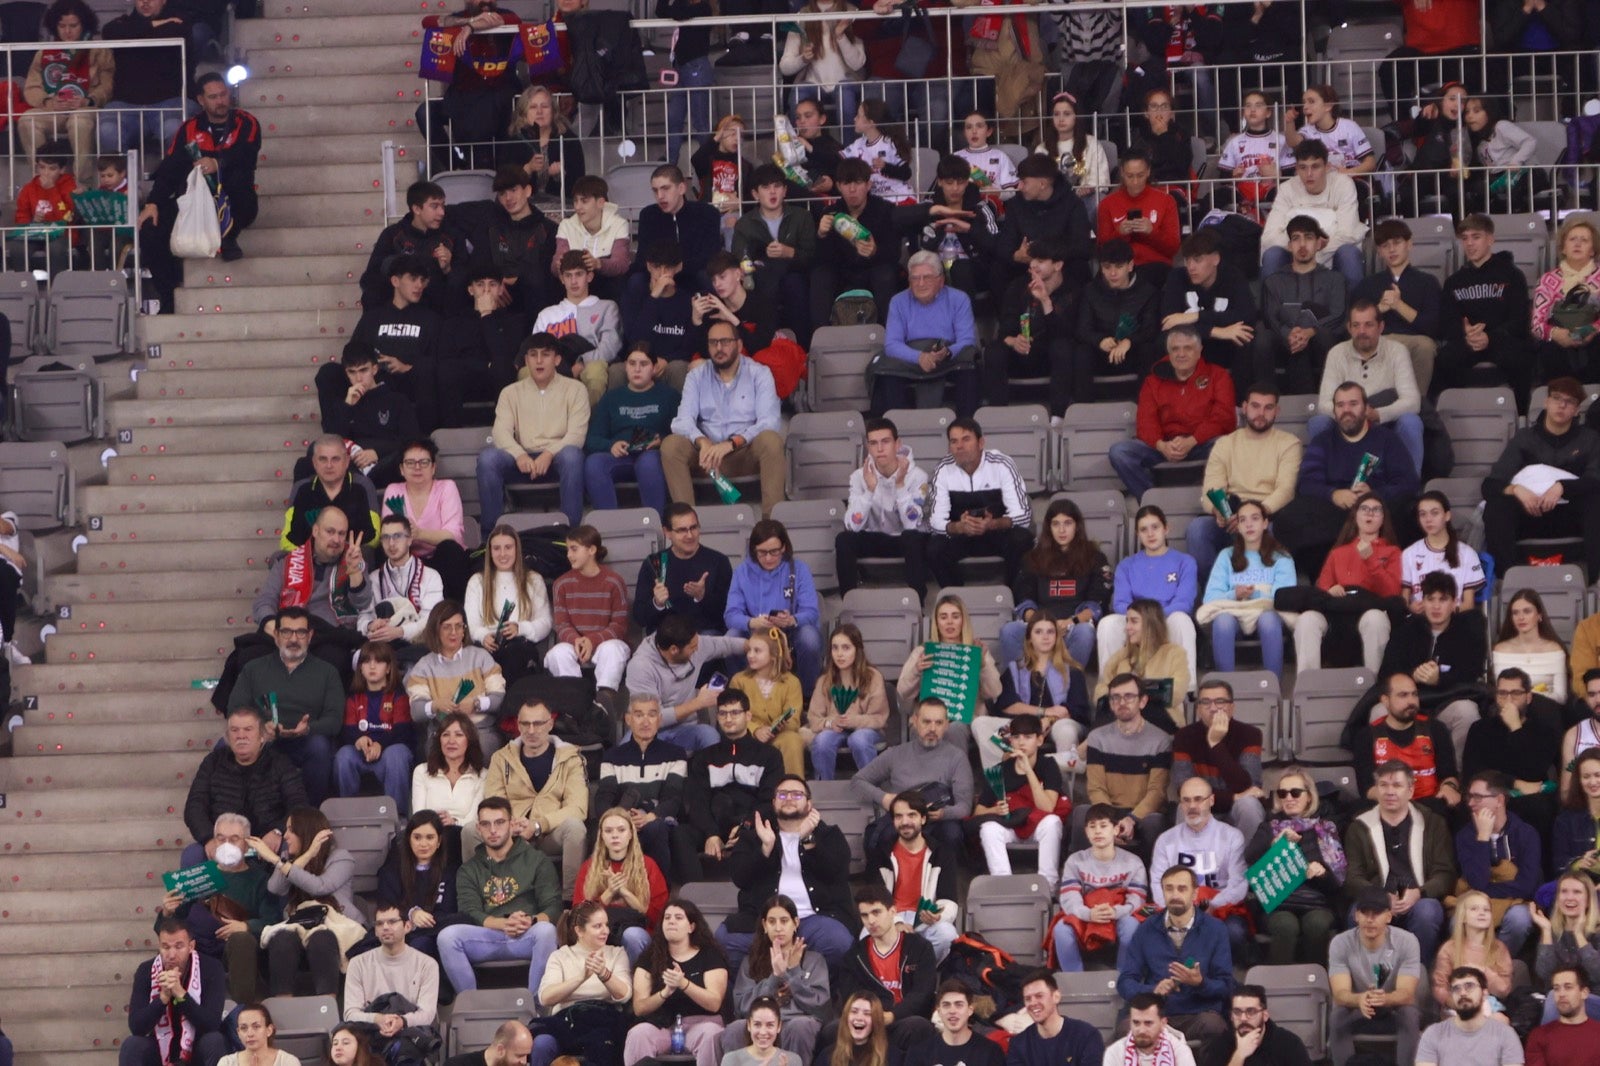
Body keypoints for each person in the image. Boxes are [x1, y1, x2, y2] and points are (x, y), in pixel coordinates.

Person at [1273, 382, 1420, 577]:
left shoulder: (1387, 439)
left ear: (1366, 408)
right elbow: (1307, 483)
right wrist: (1333, 494)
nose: (1346, 410)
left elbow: (1408, 482)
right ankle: (1330, 574)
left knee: (1412, 509)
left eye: (1353, 404)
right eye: (1340, 405)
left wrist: (1374, 495)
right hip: (1335, 511)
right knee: (1287, 518)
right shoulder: (1323, 441)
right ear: (1334, 411)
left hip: (1377, 511)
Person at [241, 508, 372, 703]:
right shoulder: (288, 562)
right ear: (316, 531)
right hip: (288, 630)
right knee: (247, 656)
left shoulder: (353, 560)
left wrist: (355, 572)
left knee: (334, 661)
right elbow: (264, 601)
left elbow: (362, 603)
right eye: (330, 531)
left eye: (341, 533)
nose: (337, 539)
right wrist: (273, 626)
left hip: (329, 635)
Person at [661, 318, 785, 520]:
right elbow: (682, 421)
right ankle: (686, 523)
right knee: (671, 445)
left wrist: (732, 443)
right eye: (713, 342)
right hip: (706, 456)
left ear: (739, 345)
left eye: (725, 342)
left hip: (744, 452)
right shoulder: (696, 376)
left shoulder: (760, 374)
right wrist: (703, 442)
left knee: (771, 440)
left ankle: (771, 523)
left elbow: (769, 421)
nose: (719, 348)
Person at [437, 797, 560, 995]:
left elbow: (553, 906)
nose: (493, 830)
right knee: (447, 937)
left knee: (546, 931)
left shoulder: (537, 860)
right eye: (486, 824)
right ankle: (472, 1004)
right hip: (487, 936)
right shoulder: (469, 869)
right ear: (478, 828)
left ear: (511, 824)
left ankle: (536, 1004)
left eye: (500, 822)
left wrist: (530, 920)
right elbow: (469, 911)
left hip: (527, 933)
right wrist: (503, 924)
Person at [1482, 376, 1600, 579]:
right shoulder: (1525, 438)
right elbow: (1490, 485)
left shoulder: (1589, 439)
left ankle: (1596, 579)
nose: (1561, 405)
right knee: (1497, 506)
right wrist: (1516, 490)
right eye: (1556, 398)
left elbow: (1595, 480)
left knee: (1596, 501)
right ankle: (1505, 579)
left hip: (1569, 516)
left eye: (1569, 401)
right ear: (1546, 402)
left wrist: (1562, 487)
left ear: (1577, 410)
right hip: (1530, 514)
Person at [227, 605, 345, 806]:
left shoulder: (327, 672)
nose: (293, 639)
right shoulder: (253, 669)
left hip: (305, 741)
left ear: (310, 636)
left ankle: (308, 812)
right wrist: (261, 728)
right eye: (287, 632)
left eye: (300, 632)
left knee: (320, 746)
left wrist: (309, 728)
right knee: (227, 745)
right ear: (276, 636)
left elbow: (335, 720)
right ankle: (238, 810)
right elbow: (235, 709)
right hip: (265, 739)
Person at [1186, 383, 1304, 584]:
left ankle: (1265, 591)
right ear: (1244, 407)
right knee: (1198, 529)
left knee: (1279, 529)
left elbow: (1286, 490)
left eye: (1268, 408)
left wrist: (1253, 516)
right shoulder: (1225, 444)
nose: (1261, 413)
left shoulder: (1289, 443)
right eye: (1255, 406)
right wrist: (1218, 512)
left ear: (1277, 411)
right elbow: (1211, 489)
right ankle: (1215, 592)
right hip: (1230, 518)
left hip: (1268, 517)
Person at [141, 72, 260, 272]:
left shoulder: (246, 122)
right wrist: (153, 203)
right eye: (213, 97)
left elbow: (246, 156)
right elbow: (171, 168)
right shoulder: (190, 128)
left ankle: (228, 237)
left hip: (237, 201)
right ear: (201, 100)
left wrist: (217, 163)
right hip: (197, 200)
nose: (220, 101)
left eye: (223, 94)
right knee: (150, 227)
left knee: (239, 176)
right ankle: (170, 288)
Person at [1343, 760, 1457, 962]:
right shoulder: (1358, 827)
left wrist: (1420, 892)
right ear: (1376, 790)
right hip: (1377, 896)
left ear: (1410, 790)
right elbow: (1352, 877)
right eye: (1383, 785)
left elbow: (1445, 873)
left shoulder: (1433, 823)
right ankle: (1369, 974)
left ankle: (1419, 970)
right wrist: (1380, 897)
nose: (1389, 792)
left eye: (1397, 785)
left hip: (1419, 897)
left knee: (1428, 912)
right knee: (1358, 912)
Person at [1111, 325, 1238, 501]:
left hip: (1202, 443)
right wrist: (1161, 445)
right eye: (1175, 349)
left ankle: (1215, 501)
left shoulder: (1218, 375)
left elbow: (1224, 418)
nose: (1181, 354)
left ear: (1199, 351)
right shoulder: (1152, 381)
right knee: (1120, 452)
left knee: (1229, 446)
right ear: (1169, 352)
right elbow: (1146, 422)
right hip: (1164, 445)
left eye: (1188, 348)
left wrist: (1193, 440)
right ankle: (1154, 502)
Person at [476, 334, 589, 532]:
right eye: (533, 355)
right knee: (487, 458)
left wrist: (549, 453)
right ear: (526, 360)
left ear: (557, 359)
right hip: (522, 459)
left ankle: (571, 534)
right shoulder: (510, 392)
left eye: (545, 355)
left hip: (557, 458)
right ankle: (491, 535)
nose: (539, 361)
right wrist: (519, 454)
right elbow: (500, 432)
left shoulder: (576, 389)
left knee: (572, 455)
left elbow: (577, 435)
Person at [484, 698, 588, 901]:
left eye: (538, 723)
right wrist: (510, 826)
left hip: (550, 833)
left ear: (550, 724)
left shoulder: (570, 758)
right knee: (471, 830)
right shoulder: (501, 758)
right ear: (517, 725)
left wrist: (538, 825)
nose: (531, 730)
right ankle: (480, 898)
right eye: (525, 724)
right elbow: (493, 802)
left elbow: (577, 807)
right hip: (511, 831)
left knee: (575, 828)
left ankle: (570, 901)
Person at [1118, 866, 1234, 1042]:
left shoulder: (1216, 929)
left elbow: (1226, 986)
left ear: (1195, 893)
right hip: (1155, 1015)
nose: (1175, 895)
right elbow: (1125, 982)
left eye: (1182, 889)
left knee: (1215, 1026)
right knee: (1125, 1029)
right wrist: (1153, 990)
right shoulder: (1146, 929)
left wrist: (1200, 983)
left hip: (1198, 1014)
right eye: (1169, 888)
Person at [1291, 493, 1403, 674]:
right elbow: (1321, 588)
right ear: (1355, 516)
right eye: (1364, 509)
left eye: (1376, 510)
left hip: (1370, 611)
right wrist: (1330, 590)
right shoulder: (1338, 552)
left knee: (1375, 619)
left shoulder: (1392, 552)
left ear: (1383, 518)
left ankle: (1375, 682)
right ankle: (1308, 683)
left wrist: (1371, 561)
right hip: (1337, 612)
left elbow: (1392, 592)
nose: (1370, 513)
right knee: (1307, 619)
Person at [1243, 767, 1345, 966]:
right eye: (1282, 793)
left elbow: (1337, 884)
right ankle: (1280, 982)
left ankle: (1315, 979)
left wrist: (1321, 872)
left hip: (1317, 902)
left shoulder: (1326, 829)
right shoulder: (1268, 828)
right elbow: (1251, 869)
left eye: (1295, 792)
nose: (1289, 798)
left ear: (1309, 796)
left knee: (1317, 924)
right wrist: (1276, 846)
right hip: (1277, 903)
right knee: (1285, 925)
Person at [854, 697, 976, 861]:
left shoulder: (957, 758)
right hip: (903, 817)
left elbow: (964, 807)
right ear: (914, 721)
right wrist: (885, 798)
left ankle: (946, 877)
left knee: (952, 834)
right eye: (926, 722)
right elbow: (858, 781)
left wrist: (943, 813)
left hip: (939, 820)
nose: (932, 728)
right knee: (884, 835)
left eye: (939, 723)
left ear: (946, 725)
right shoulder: (896, 754)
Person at [679, 690, 785, 879]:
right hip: (713, 824)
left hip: (751, 824)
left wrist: (745, 826)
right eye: (723, 713)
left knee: (761, 834)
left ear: (748, 716)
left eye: (735, 712)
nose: (728, 719)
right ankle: (694, 891)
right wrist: (711, 834)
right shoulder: (704, 757)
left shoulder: (769, 756)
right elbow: (697, 801)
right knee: (681, 834)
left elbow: (770, 801)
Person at [182, 708, 306, 868]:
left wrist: (278, 831)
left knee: (288, 850)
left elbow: (299, 805)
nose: (241, 735)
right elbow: (194, 806)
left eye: (248, 729)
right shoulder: (213, 762)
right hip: (224, 842)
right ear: (228, 737)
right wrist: (209, 838)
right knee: (192, 855)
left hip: (267, 842)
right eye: (234, 730)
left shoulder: (280, 763)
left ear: (262, 736)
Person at [1311, 302, 1425, 475]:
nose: (1362, 331)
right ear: (1349, 328)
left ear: (1381, 327)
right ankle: (1322, 483)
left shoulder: (1397, 351)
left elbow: (1412, 402)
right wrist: (1353, 413)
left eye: (1368, 325)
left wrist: (1378, 414)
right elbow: (1324, 404)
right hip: (1347, 426)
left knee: (1411, 422)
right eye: (1356, 325)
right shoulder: (1337, 353)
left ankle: (1410, 485)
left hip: (1386, 426)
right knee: (1319, 422)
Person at [258, 807, 362, 997]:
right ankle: (283, 1005)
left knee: (321, 937)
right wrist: (305, 856)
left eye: (291, 830)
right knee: (281, 938)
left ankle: (327, 1004)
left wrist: (277, 861)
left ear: (305, 831)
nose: (286, 836)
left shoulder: (341, 857)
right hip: (300, 926)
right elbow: (275, 888)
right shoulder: (289, 858)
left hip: (336, 927)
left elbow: (320, 887)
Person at [925, 416, 1037, 586]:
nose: (959, 446)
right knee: (935, 548)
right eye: (954, 441)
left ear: (981, 443)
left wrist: (992, 524)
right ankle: (955, 596)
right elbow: (934, 523)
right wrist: (959, 527)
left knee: (1022, 539)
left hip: (996, 532)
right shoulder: (942, 469)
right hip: (962, 535)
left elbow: (1023, 515)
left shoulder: (1002, 464)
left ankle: (1012, 595)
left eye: (966, 439)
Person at [1002, 497, 1110, 670]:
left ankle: (1067, 682)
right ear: (1048, 527)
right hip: (1039, 625)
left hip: (1074, 625)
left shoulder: (1095, 557)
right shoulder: (1033, 558)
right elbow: (1024, 598)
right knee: (1009, 631)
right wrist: (1040, 624)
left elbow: (1096, 603)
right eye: (1056, 524)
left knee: (1085, 633)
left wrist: (1071, 621)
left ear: (1077, 526)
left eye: (1067, 523)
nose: (1062, 530)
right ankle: (1019, 682)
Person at [1098, 507, 1200, 689]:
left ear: (1166, 529)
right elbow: (1120, 603)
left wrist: (1151, 618)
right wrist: (1140, 620)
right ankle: (1108, 688)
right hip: (1135, 622)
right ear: (1137, 534)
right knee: (1108, 623)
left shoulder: (1185, 562)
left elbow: (1184, 602)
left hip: (1166, 619)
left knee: (1182, 620)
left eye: (1155, 527)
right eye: (1144, 529)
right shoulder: (1126, 565)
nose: (1150, 534)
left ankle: (1187, 689)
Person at [594, 694, 692, 882]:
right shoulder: (612, 756)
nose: (646, 722)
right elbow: (604, 797)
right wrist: (621, 821)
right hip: (623, 820)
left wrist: (649, 817)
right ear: (628, 719)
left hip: (658, 820)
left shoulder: (675, 754)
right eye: (639, 715)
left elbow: (673, 797)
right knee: (605, 831)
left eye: (652, 715)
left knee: (656, 828)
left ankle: (659, 891)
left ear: (659, 719)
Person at [1150, 778, 1250, 960]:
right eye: (1186, 800)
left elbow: (1239, 883)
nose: (1192, 806)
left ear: (1211, 800)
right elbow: (1158, 883)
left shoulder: (1232, 837)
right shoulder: (1166, 840)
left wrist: (1214, 905)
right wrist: (1177, 910)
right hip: (1177, 909)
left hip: (1220, 908)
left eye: (1198, 799)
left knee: (1235, 931)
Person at [1437, 214, 1532, 405]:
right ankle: (1454, 411)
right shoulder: (1454, 282)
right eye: (1465, 238)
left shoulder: (1512, 275)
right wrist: (1464, 331)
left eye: (1476, 237)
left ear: (1490, 239)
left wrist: (1490, 337)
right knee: (1443, 359)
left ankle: (1522, 414)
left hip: (1502, 339)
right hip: (1468, 340)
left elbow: (1520, 320)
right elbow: (1447, 321)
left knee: (1521, 358)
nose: (1470, 243)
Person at [871, 250, 980, 417]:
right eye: (915, 278)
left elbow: (967, 340)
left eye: (927, 277)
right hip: (911, 359)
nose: (920, 283)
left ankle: (966, 425)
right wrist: (920, 357)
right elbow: (892, 344)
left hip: (948, 358)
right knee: (886, 373)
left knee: (969, 366)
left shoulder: (959, 299)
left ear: (941, 280)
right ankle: (898, 425)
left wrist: (947, 352)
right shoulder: (898, 301)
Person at [722, 897, 830, 1062]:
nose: (778, 928)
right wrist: (775, 977)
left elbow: (819, 1006)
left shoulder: (814, 960)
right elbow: (742, 1007)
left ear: (795, 923)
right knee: (735, 1028)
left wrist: (792, 972)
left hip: (796, 1020)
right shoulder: (751, 961)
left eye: (784, 921)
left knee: (800, 1026)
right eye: (772, 922)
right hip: (760, 1022)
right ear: (765, 926)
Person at [622, 898, 728, 1066]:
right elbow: (639, 1008)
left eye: (678, 917)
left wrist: (683, 983)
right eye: (667, 917)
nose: (671, 921)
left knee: (711, 1033)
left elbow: (714, 1003)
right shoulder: (649, 958)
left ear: (691, 927)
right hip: (661, 1025)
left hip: (701, 1023)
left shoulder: (710, 955)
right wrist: (665, 993)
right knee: (638, 1033)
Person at [345, 258, 440, 441]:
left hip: (415, 382)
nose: (419, 285)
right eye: (413, 279)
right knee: (329, 373)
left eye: (422, 280)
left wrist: (407, 367)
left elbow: (438, 358)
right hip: (378, 380)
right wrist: (374, 365)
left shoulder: (430, 319)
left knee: (426, 374)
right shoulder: (373, 318)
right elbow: (353, 352)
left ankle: (423, 441)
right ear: (395, 281)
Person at [1328, 885, 1424, 1066]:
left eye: (1376, 913)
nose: (1370, 919)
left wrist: (1384, 999)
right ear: (1356, 915)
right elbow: (1340, 994)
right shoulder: (1340, 943)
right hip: (1357, 1008)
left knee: (1410, 1014)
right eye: (1365, 913)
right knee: (1337, 1016)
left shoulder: (1407, 941)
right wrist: (1359, 999)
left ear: (1388, 916)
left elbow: (1407, 993)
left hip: (1393, 1008)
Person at [725, 520, 822, 699]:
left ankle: (808, 697)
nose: (768, 558)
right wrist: (751, 622)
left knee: (810, 638)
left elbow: (811, 611)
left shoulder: (799, 569)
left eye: (774, 552)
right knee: (731, 637)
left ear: (783, 547)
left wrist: (792, 619)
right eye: (762, 552)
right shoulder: (742, 572)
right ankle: (740, 696)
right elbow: (731, 615)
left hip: (789, 632)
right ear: (753, 549)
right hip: (755, 632)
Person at [835, 418, 931, 596]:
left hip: (905, 538)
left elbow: (911, 524)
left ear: (897, 444)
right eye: (873, 443)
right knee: (844, 539)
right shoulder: (858, 477)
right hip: (875, 537)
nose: (879, 449)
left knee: (913, 537)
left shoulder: (918, 477)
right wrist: (869, 491)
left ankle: (918, 599)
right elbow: (852, 526)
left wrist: (900, 485)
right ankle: (849, 600)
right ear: (868, 447)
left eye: (885, 442)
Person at [836, 885, 939, 1052]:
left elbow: (923, 992)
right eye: (864, 915)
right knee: (832, 1031)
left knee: (917, 1026)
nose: (871, 921)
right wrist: (872, 1017)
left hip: (905, 1020)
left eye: (876, 912)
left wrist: (893, 1015)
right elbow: (851, 996)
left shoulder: (919, 947)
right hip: (868, 1024)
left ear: (892, 912)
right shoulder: (854, 956)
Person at [531, 901, 633, 1066]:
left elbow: (625, 994)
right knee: (542, 1043)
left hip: (603, 1020)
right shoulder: (560, 956)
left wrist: (604, 973)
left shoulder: (616, 953)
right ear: (579, 930)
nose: (605, 931)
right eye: (597, 926)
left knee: (603, 1042)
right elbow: (545, 997)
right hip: (566, 1022)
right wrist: (581, 978)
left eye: (606, 925)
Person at [1198, 500, 1295, 675]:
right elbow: (1210, 598)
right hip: (1234, 612)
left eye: (1255, 518)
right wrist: (1234, 594)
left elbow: (1285, 597)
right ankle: (1225, 684)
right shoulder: (1226, 555)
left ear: (1265, 523)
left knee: (1268, 620)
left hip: (1268, 613)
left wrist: (1254, 594)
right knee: (1223, 622)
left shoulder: (1282, 557)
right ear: (1238, 527)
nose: (1249, 524)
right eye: (1242, 520)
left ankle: (1273, 684)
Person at [1254, 215, 1348, 394]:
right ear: (1289, 246)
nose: (1302, 245)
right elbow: (1270, 318)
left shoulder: (1335, 279)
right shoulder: (1274, 281)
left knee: (1324, 336)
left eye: (1309, 237)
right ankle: (1265, 399)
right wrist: (1289, 334)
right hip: (1283, 342)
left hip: (1321, 341)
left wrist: (1310, 331)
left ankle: (1332, 399)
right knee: (1263, 338)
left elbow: (1338, 315)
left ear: (1319, 243)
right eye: (1296, 238)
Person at [623, 612, 740, 756]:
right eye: (692, 647)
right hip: (649, 732)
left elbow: (726, 645)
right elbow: (652, 717)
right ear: (674, 650)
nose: (697, 649)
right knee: (627, 752)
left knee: (709, 735)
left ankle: (709, 771)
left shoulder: (694, 644)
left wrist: (752, 645)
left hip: (685, 730)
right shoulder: (641, 666)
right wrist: (698, 703)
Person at [1051, 803, 1149, 972]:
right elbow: (1069, 899)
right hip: (1085, 913)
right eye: (1092, 826)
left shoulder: (1133, 862)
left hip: (1119, 914)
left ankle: (1124, 977)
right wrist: (1088, 914)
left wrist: (1116, 912)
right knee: (1061, 929)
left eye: (1103, 826)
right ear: (1086, 831)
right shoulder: (1075, 861)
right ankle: (1074, 980)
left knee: (1132, 926)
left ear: (1116, 830)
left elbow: (1137, 900)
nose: (1097, 831)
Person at [988, 612, 1090, 773]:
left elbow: (1075, 710)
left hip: (1057, 725)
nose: (1045, 637)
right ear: (1029, 638)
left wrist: (1049, 719)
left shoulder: (1071, 670)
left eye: (1050, 632)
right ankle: (1002, 780)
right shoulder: (1016, 669)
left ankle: (1059, 786)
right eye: (1038, 632)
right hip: (1025, 726)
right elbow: (1006, 704)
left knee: (1065, 729)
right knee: (982, 724)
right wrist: (1043, 712)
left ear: (1057, 637)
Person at [985, 238, 1076, 418]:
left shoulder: (1072, 290)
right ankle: (997, 416)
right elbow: (1005, 330)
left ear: (1058, 265)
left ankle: (1058, 418)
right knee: (994, 351)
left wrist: (1045, 301)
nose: (1033, 265)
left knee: (1062, 348)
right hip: (1021, 353)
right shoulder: (1018, 286)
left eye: (1040, 261)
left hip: (1050, 356)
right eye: (1032, 259)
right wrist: (1013, 341)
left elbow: (1065, 334)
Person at [1082, 674, 1173, 854]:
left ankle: (1149, 871)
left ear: (1142, 701)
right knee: (1081, 814)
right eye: (1115, 697)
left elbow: (1157, 792)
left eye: (1129, 696)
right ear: (1110, 703)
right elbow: (1096, 788)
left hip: (1143, 814)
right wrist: (1110, 821)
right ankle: (1081, 869)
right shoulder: (1097, 738)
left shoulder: (1160, 740)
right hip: (1108, 811)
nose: (1122, 702)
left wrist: (1132, 819)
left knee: (1154, 821)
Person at [971, 713, 1068, 880]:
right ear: (1010, 741)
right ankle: (1003, 882)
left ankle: (1048, 884)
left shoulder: (1048, 765)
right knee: (988, 828)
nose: (1021, 742)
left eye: (1028, 737)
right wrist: (995, 810)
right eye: (1016, 737)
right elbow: (978, 812)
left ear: (1039, 740)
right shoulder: (999, 770)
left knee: (1053, 822)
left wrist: (1028, 769)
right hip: (1010, 825)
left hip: (1037, 825)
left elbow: (1047, 807)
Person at [1454, 771, 1541, 956]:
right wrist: (1483, 838)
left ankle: (1497, 962)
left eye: (1478, 797)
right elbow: (1476, 882)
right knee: (1457, 920)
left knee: (1519, 919)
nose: (1470, 803)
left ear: (1499, 800)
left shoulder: (1526, 834)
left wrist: (1486, 890)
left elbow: (1527, 885)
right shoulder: (1465, 836)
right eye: (1469, 797)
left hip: (1515, 902)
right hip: (1476, 902)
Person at [405, 600, 507, 756]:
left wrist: (476, 704)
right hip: (442, 732)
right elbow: (416, 711)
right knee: (437, 752)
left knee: (483, 747)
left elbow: (499, 698)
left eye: (459, 626)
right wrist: (435, 705)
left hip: (479, 731)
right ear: (435, 630)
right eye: (447, 627)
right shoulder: (423, 666)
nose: (453, 632)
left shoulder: (481, 657)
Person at [1352, 220, 1442, 396]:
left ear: (1409, 244)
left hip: (1414, 340)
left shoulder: (1427, 282)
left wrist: (1398, 305)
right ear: (1379, 251)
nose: (1391, 250)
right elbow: (1353, 325)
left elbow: (1434, 327)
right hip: (1380, 339)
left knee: (1425, 346)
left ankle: (1416, 402)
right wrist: (1379, 309)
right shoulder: (1367, 284)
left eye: (1397, 243)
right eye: (1385, 246)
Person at [120, 919, 227, 1066]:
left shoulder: (211, 968)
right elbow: (136, 1027)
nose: (171, 955)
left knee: (214, 1041)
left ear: (191, 946)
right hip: (159, 1046)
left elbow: (212, 1024)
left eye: (178, 946)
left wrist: (181, 995)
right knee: (132, 1045)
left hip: (196, 1048)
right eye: (165, 947)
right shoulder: (146, 970)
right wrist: (162, 998)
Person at [1260, 140, 1365, 288]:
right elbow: (1269, 237)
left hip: (1333, 253)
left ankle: (1356, 303)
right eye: (1303, 168)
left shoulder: (1343, 184)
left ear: (1327, 167)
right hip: (1295, 258)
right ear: (1296, 169)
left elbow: (1347, 234)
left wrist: (1312, 251)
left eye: (1315, 167)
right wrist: (1303, 247)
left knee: (1349, 254)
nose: (1309, 174)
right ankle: (1270, 303)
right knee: (1272, 255)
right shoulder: (1287, 189)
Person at [1353, 670, 1464, 811]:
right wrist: (1398, 801)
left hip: (1431, 806)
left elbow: (1449, 775)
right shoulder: (1367, 736)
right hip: (1388, 806)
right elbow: (1368, 789)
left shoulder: (1436, 729)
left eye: (1414, 694)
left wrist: (1449, 787)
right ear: (1385, 701)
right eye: (1403, 695)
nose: (1411, 701)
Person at [808, 157, 899, 327]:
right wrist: (821, 235)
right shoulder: (830, 213)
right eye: (846, 183)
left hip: (873, 269)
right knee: (820, 276)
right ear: (838, 186)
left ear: (868, 185)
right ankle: (819, 335)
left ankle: (889, 334)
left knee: (885, 274)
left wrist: (875, 251)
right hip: (842, 272)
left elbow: (895, 253)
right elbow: (819, 259)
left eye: (857, 183)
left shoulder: (884, 210)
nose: (852, 189)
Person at [1173, 680, 1267, 844]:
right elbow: (1185, 789)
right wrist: (1234, 797)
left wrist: (1215, 744)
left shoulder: (1250, 734)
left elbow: (1248, 786)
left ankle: (1242, 859)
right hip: (1203, 808)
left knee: (1249, 806)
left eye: (1220, 701)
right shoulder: (1183, 737)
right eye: (1206, 702)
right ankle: (1190, 859)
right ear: (1198, 709)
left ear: (1232, 707)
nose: (1213, 708)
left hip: (1236, 811)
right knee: (1185, 806)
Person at [1464, 669, 1559, 829]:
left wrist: (1516, 728)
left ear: (1528, 697)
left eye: (1515, 693)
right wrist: (1515, 783)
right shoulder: (1480, 729)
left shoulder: (1544, 731)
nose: (1508, 700)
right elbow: (1473, 771)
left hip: (1530, 799)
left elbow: (1535, 771)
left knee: (1540, 807)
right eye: (1502, 693)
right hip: (1491, 793)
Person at [543, 524, 631, 698]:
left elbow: (619, 626)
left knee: (613, 650)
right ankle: (575, 699)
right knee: (557, 653)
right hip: (574, 643)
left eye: (574, 549)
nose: (569, 555)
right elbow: (562, 625)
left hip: (605, 642)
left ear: (591, 550)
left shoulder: (614, 581)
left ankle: (605, 699)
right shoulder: (561, 584)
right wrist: (577, 641)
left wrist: (592, 641)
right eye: (568, 549)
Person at [574, 808, 669, 966]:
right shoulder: (588, 868)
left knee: (632, 935)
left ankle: (636, 979)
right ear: (602, 836)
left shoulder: (648, 865)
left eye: (621, 830)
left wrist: (625, 892)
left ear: (631, 834)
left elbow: (659, 916)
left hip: (638, 933)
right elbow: (578, 916)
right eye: (608, 831)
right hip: (601, 933)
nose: (615, 835)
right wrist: (609, 893)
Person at [730, 164, 815, 339]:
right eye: (766, 187)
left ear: (785, 191)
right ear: (755, 194)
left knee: (794, 283)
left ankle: (803, 345)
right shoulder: (745, 224)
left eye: (777, 186)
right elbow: (740, 256)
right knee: (762, 278)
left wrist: (789, 252)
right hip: (760, 277)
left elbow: (812, 256)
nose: (772, 192)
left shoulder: (802, 217)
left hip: (794, 275)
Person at [342, 902, 440, 1052]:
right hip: (371, 1036)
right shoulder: (358, 963)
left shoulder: (427, 964)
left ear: (407, 926)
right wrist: (378, 1019)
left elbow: (427, 1014)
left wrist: (402, 1021)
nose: (385, 927)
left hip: (410, 1036)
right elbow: (350, 1014)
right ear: (375, 931)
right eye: (380, 923)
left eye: (392, 922)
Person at [874, 791, 959, 962]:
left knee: (947, 934)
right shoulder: (881, 852)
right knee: (866, 937)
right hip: (890, 918)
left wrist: (938, 915)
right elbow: (874, 897)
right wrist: (896, 922)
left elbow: (949, 899)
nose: (905, 822)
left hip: (924, 920)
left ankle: (920, 973)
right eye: (899, 816)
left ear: (923, 819)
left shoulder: (942, 852)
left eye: (911, 815)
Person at [1073, 238, 1162, 401]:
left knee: (1149, 349)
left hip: (1132, 352)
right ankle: (1083, 406)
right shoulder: (1090, 291)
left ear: (1130, 265)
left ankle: (1146, 405)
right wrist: (1100, 340)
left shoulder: (1147, 292)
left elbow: (1151, 329)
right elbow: (1082, 329)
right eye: (1107, 267)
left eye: (1119, 267)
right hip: (1101, 353)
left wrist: (1129, 341)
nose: (1112, 273)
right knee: (1082, 352)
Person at [382, 439, 471, 603]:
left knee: (450, 549)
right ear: (401, 469)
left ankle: (453, 610)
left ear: (433, 467)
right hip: (408, 559)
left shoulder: (447, 487)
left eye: (423, 462)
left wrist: (419, 534)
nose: (417, 467)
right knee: (385, 549)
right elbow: (388, 532)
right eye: (410, 463)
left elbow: (454, 535)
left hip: (441, 558)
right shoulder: (393, 490)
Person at [464, 523, 551, 685]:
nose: (502, 554)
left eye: (508, 547)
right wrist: (483, 636)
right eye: (497, 548)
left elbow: (545, 623)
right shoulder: (477, 581)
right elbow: (472, 624)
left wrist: (520, 628)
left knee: (514, 654)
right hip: (487, 646)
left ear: (517, 549)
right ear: (490, 551)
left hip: (520, 646)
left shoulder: (533, 580)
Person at [98, 0, 189, 154]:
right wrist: (156, 24)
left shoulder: (177, 21)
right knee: (107, 130)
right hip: (125, 103)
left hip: (169, 102)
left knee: (175, 129)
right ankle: (118, 171)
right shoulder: (122, 23)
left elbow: (175, 31)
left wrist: (137, 30)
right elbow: (109, 32)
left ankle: (171, 171)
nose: (145, 1)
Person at [1161, 230, 1257, 374]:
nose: (1191, 267)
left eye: (1197, 260)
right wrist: (1216, 331)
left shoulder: (1233, 276)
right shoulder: (1177, 277)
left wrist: (1196, 316)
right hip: (1192, 341)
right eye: (1187, 260)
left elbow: (1246, 316)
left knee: (1245, 338)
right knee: (1162, 342)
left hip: (1224, 345)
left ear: (1216, 259)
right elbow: (1168, 323)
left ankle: (1241, 389)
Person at [537, 250, 624, 406]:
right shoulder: (546, 314)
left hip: (592, 365)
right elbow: (537, 351)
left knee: (595, 370)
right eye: (568, 275)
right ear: (562, 279)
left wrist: (582, 363)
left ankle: (589, 420)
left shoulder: (607, 307)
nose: (573, 281)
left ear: (589, 276)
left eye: (579, 274)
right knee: (527, 372)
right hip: (555, 367)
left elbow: (610, 347)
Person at [995, 154, 1094, 293]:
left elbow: (1082, 246)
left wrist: (1045, 257)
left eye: (1024, 182)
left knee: (1080, 268)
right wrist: (1016, 255)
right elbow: (1005, 242)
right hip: (1026, 266)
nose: (1020, 187)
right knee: (998, 269)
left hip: (1061, 265)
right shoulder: (1015, 205)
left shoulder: (1072, 204)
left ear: (1042, 184)